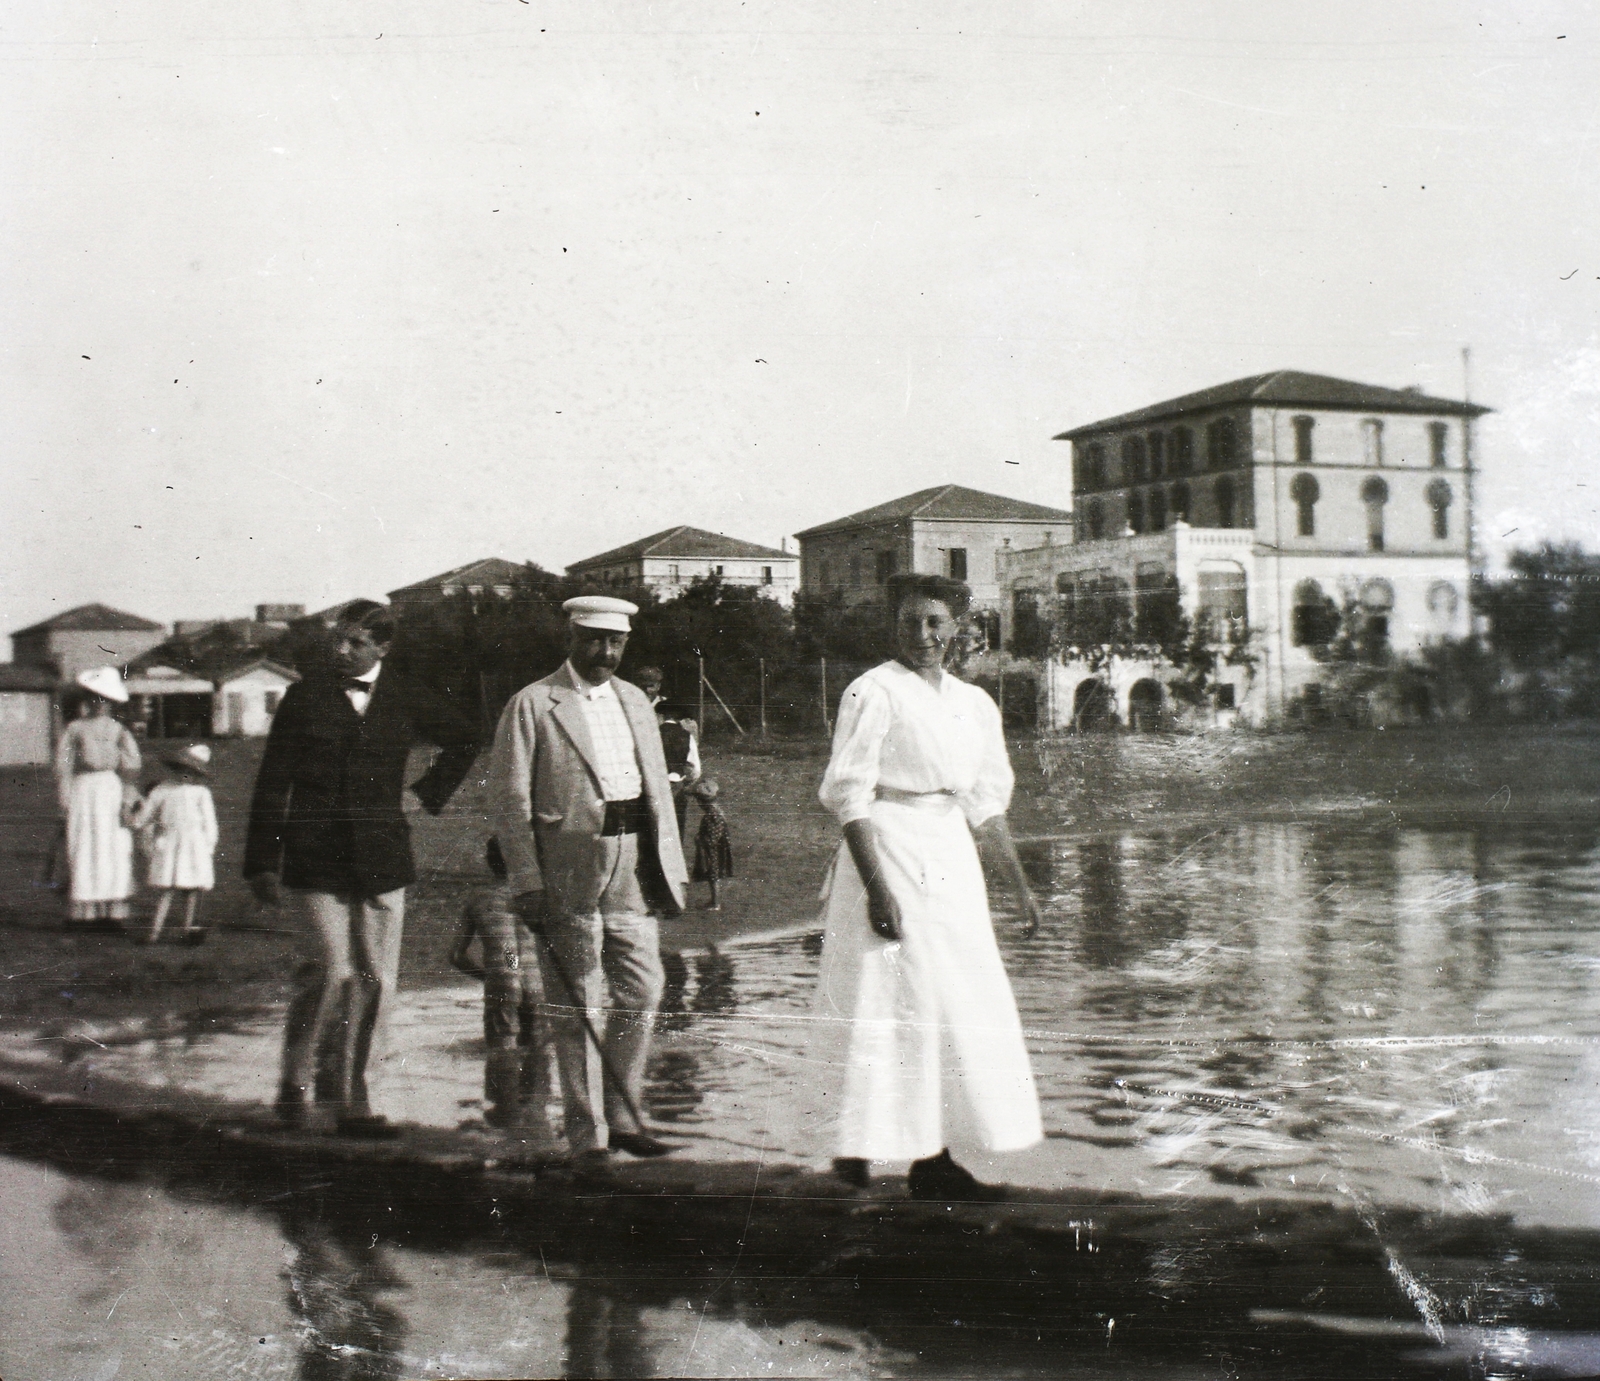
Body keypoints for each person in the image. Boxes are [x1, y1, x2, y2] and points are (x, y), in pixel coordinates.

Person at [807, 573, 1044, 1200]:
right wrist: (877, 888)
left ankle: (934, 1157)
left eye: (935, 622)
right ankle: (856, 1148)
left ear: (958, 627)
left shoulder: (975, 704)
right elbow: (850, 797)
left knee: (955, 999)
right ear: (895, 627)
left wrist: (1018, 888)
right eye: (910, 622)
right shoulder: (874, 691)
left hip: (950, 856)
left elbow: (988, 805)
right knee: (884, 996)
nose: (924, 635)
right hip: (887, 845)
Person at [244, 599, 481, 1138]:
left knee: (376, 979)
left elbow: (467, 736)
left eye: (354, 641)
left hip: (381, 856)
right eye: (338, 639)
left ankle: (356, 1097)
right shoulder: (304, 697)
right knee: (330, 971)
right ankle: (294, 1082)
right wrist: (262, 861)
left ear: (383, 646)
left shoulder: (405, 694)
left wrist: (427, 794)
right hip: (314, 856)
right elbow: (272, 779)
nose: (341, 649)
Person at [488, 595, 688, 1162]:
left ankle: (625, 1115)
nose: (605, 653)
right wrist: (527, 882)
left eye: (616, 642)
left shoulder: (633, 700)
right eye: (594, 641)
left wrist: (668, 868)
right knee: (577, 1002)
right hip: (567, 867)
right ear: (572, 638)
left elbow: (656, 790)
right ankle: (588, 1134)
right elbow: (509, 801)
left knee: (643, 987)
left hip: (633, 860)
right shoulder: (533, 704)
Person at [449, 837, 562, 1149]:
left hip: (503, 978)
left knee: (503, 1050)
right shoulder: (537, 897)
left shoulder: (478, 898)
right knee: (539, 1050)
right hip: (535, 982)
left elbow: (455, 955)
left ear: (490, 861)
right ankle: (534, 1114)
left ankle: (507, 1113)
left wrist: (488, 975)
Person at [53, 667, 141, 930]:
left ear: (112, 702)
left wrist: (128, 797)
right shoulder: (75, 729)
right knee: (85, 846)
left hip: (110, 790)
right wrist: (65, 798)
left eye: (104, 699)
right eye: (93, 698)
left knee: (113, 847)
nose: (98, 704)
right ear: (86, 700)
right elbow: (64, 765)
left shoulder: (119, 730)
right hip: (84, 791)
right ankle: (84, 913)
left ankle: (112, 913)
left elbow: (131, 766)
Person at [130, 742, 218, 946]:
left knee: (190, 890)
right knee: (166, 889)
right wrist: (135, 819)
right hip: (170, 843)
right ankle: (154, 933)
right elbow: (147, 814)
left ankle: (188, 931)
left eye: (192, 772)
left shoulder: (201, 794)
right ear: (176, 768)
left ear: (198, 774)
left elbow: (210, 823)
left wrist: (209, 846)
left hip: (194, 844)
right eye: (182, 769)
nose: (185, 775)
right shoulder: (163, 789)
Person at [636, 667, 702, 836]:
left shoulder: (668, 708)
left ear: (658, 686)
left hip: (672, 777)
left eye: (650, 686)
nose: (646, 690)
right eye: (641, 686)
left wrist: (684, 779)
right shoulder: (632, 706)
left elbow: (689, 742)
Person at [689, 778, 733, 911]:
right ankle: (714, 901)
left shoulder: (712, 816)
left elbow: (712, 838)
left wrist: (699, 839)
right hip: (717, 848)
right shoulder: (716, 812)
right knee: (713, 875)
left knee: (713, 876)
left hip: (713, 851)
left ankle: (715, 903)